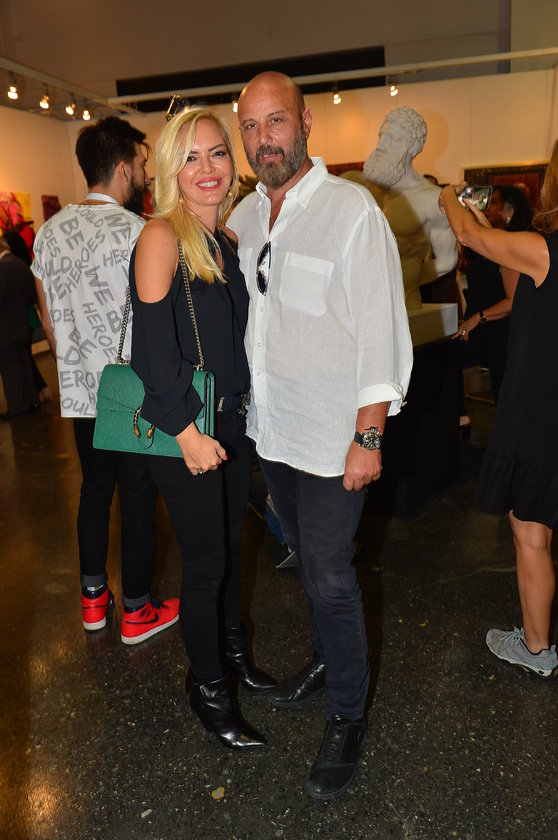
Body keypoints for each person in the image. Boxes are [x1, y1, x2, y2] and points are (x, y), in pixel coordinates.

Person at [228, 71, 413, 798]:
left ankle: (347, 712)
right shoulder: (246, 217)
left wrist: (368, 438)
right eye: (250, 127)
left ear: (305, 123)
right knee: (307, 561)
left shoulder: (351, 211)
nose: (262, 139)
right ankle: (329, 659)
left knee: (331, 575)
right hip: (275, 434)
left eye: (275, 121)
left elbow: (381, 331)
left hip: (337, 440)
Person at [129, 105, 275, 751]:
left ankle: (233, 658)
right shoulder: (162, 236)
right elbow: (152, 352)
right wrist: (187, 435)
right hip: (185, 432)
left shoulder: (226, 242)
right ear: (170, 170)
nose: (207, 167)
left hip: (230, 423)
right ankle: (209, 689)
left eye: (217, 152)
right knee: (207, 563)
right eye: (190, 157)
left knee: (231, 555)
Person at [32, 116, 179, 644]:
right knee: (138, 498)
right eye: (140, 164)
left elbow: (51, 328)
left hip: (81, 396)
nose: (144, 174)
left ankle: (93, 602)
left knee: (94, 492)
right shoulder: (140, 233)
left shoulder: (48, 234)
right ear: (122, 168)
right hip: (132, 391)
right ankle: (137, 610)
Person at [439, 142, 558, 681]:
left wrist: (447, 194)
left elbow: (468, 234)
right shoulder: (536, 249)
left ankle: (536, 648)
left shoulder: (544, 250)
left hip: (540, 407)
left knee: (530, 530)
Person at [456, 186, 533, 437]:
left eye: (496, 202)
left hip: (501, 327)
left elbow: (512, 301)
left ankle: (507, 440)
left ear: (510, 211)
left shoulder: (512, 244)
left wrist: (477, 319)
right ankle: (462, 418)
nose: (488, 206)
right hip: (486, 326)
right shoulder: (493, 241)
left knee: (504, 390)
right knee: (449, 358)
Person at [364, 106, 458, 309]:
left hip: (405, 305)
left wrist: (408, 280)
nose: (380, 145)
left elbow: (448, 261)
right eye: (381, 135)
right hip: (364, 306)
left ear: (413, 147)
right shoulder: (362, 190)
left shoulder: (432, 199)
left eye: (392, 138)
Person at [0, 237, 39, 418]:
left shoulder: (2, 268)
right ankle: (32, 400)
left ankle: (17, 406)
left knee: (10, 368)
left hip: (5, 328)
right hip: (23, 325)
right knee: (24, 363)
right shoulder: (21, 264)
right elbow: (32, 297)